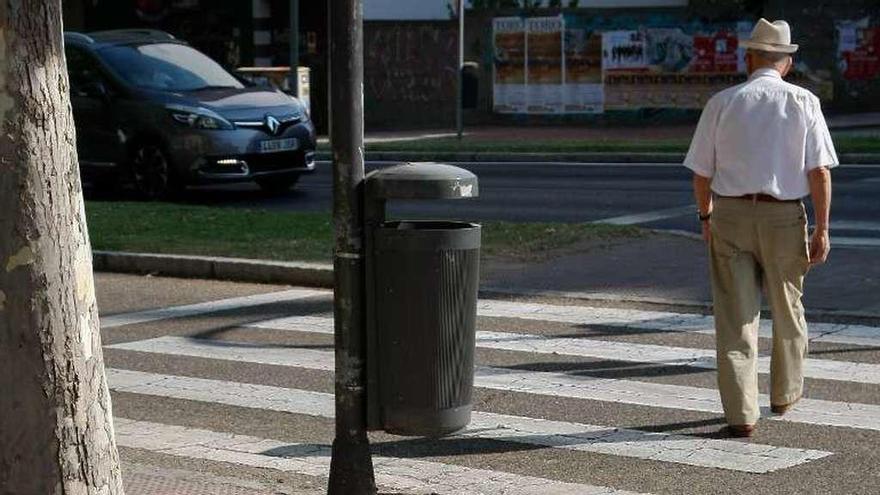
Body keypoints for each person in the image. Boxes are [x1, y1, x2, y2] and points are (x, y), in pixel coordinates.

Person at [683, 18, 838, 438]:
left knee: (735, 317)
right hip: (784, 216)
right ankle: (784, 393)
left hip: (730, 215)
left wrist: (706, 216)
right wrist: (822, 228)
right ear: (785, 61)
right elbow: (819, 172)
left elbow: (700, 173)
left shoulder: (722, 102)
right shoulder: (804, 102)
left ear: (749, 58)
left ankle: (740, 415)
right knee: (789, 308)